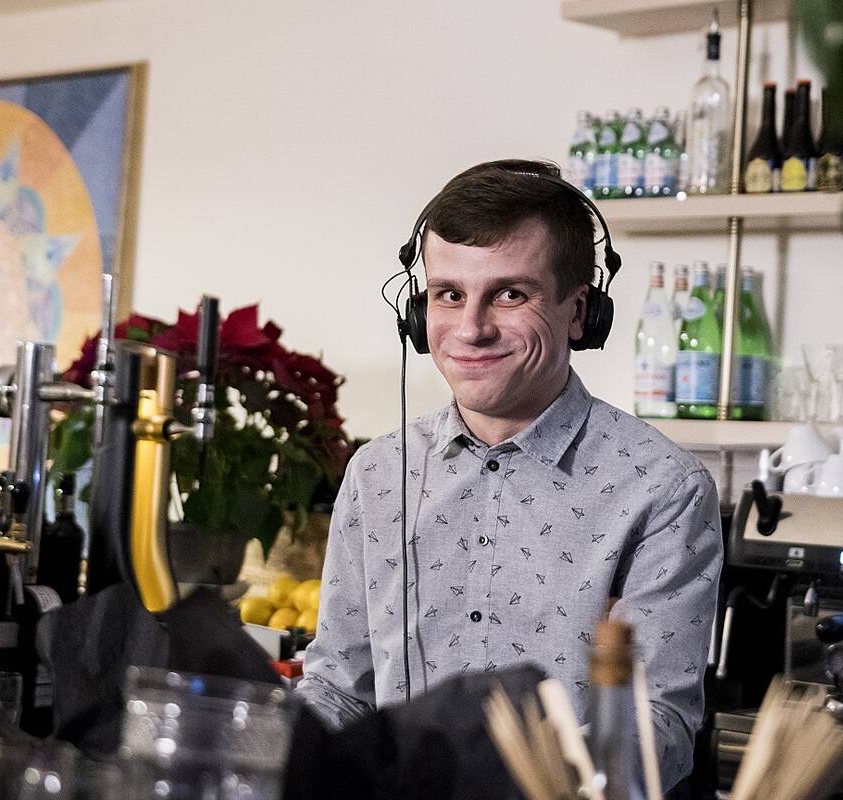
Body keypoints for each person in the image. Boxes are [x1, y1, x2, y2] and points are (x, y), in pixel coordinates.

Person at [298, 159, 722, 788]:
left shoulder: (663, 488)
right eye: (448, 295)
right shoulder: (377, 474)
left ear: (579, 312)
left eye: (510, 294)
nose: (471, 328)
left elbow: (660, 726)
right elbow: (340, 688)